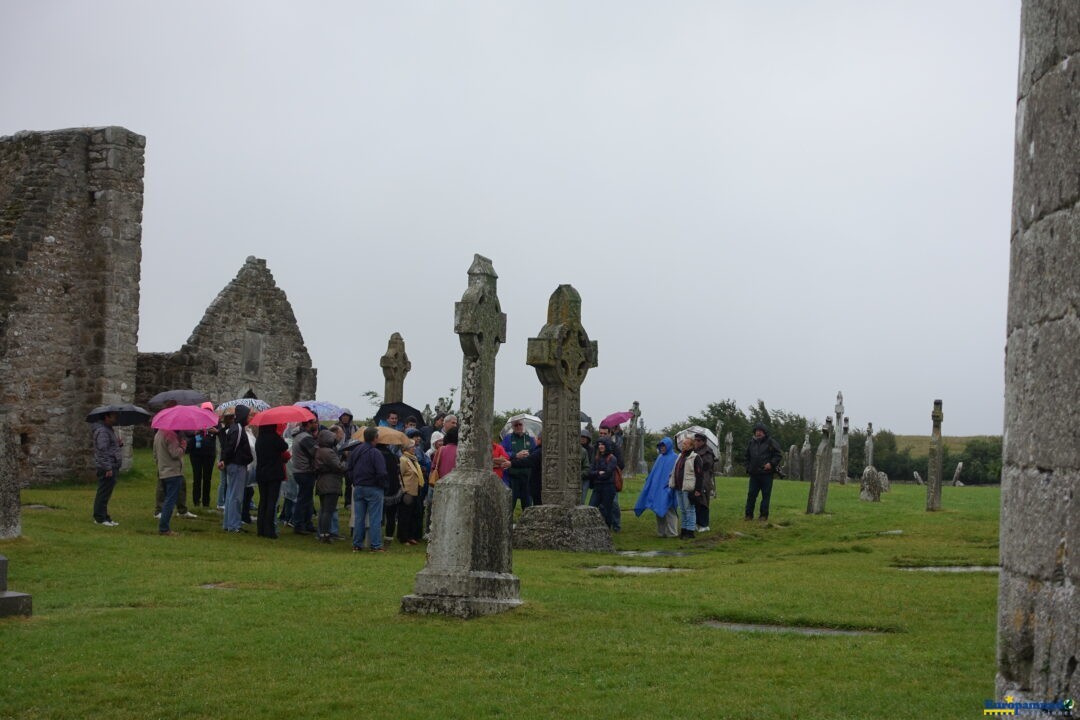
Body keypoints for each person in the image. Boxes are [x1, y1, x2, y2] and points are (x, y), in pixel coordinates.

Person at [347, 427, 388, 552]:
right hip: (373, 487)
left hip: (358, 487)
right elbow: (381, 472)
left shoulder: (356, 451)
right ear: (375, 438)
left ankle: (357, 544)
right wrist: (383, 485)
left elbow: (349, 468)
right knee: (375, 518)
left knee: (359, 518)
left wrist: (355, 481)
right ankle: (375, 545)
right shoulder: (375, 453)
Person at [633, 437, 679, 537]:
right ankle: (661, 532)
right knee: (658, 508)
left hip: (668, 488)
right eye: (660, 446)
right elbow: (654, 472)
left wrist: (671, 485)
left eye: (663, 446)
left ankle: (672, 532)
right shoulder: (660, 457)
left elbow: (676, 473)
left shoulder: (675, 457)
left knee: (670, 510)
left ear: (669, 446)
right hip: (657, 488)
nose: (662, 448)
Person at [219, 405, 254, 533]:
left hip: (234, 464)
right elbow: (232, 447)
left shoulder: (235, 428)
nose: (250, 418)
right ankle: (234, 525)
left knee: (230, 494)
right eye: (249, 415)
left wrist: (224, 460)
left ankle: (228, 523)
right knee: (236, 496)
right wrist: (225, 460)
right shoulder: (238, 429)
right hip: (237, 465)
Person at [255, 423, 289, 539]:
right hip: (274, 473)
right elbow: (284, 446)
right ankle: (269, 529)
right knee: (271, 502)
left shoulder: (260, 439)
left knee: (263, 500)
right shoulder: (275, 438)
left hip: (261, 472)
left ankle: (261, 528)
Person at [744, 422, 782, 522]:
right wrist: (748, 467)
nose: (758, 433)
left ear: (764, 432)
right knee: (751, 495)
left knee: (766, 496)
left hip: (767, 474)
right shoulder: (751, 443)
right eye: (757, 431)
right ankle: (748, 515)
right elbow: (747, 456)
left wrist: (771, 463)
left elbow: (778, 455)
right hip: (754, 474)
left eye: (760, 431)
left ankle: (763, 516)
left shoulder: (771, 442)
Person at [153, 427, 187, 536]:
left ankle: (163, 525)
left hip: (163, 471)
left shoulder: (158, 434)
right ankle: (164, 528)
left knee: (167, 498)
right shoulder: (170, 435)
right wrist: (183, 445)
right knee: (170, 500)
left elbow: (155, 454)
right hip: (173, 472)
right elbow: (175, 453)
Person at [91, 410, 122, 526]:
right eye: (114, 416)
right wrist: (108, 467)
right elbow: (102, 451)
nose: (116, 418)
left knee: (106, 493)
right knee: (103, 493)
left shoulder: (108, 430)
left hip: (112, 465)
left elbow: (109, 447)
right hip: (107, 467)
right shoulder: (103, 431)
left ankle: (105, 516)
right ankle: (99, 517)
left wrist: (118, 444)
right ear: (106, 417)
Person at [314, 429, 345, 543]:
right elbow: (339, 467)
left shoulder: (320, 450)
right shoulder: (329, 452)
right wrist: (345, 463)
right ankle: (325, 535)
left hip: (322, 482)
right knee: (328, 510)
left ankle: (322, 533)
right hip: (331, 483)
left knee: (323, 510)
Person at [289, 417, 319, 535]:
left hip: (300, 470)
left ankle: (307, 523)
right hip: (304, 471)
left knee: (307, 499)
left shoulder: (301, 435)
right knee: (303, 499)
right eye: (315, 422)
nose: (317, 424)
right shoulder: (305, 438)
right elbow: (316, 451)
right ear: (309, 424)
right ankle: (299, 524)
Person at [669, 436, 704, 539]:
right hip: (679, 487)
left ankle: (690, 531)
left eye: (685, 444)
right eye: (683, 444)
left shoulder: (695, 457)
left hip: (689, 488)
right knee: (683, 510)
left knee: (689, 510)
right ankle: (684, 530)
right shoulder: (680, 456)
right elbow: (675, 470)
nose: (683, 445)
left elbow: (699, 475)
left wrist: (697, 490)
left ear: (691, 446)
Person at [187, 402, 218, 508]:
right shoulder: (195, 420)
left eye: (209, 411)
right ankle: (196, 501)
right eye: (205, 410)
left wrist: (216, 431)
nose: (207, 413)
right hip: (196, 454)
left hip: (209, 454)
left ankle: (206, 502)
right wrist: (195, 432)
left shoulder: (215, 421)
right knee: (197, 478)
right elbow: (188, 432)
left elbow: (222, 433)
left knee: (207, 479)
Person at [502, 419, 536, 509]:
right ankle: (508, 523)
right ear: (512, 427)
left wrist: (529, 455)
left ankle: (527, 523)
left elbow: (536, 453)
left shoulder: (531, 439)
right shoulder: (508, 438)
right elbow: (502, 453)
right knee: (510, 505)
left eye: (520, 424)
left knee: (527, 506)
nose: (518, 427)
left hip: (527, 477)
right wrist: (515, 455)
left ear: (523, 425)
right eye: (515, 425)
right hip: (513, 477)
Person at [397, 439, 424, 545]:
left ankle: (411, 535)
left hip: (416, 490)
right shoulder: (403, 459)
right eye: (412, 447)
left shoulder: (414, 459)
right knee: (405, 515)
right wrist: (403, 489)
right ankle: (404, 537)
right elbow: (400, 475)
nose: (415, 448)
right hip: (407, 491)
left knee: (414, 514)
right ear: (406, 449)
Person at [587, 439, 619, 528]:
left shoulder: (612, 458)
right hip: (597, 487)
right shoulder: (596, 457)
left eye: (603, 444)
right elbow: (589, 472)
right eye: (599, 444)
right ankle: (592, 527)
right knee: (591, 507)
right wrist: (598, 473)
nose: (600, 446)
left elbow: (607, 474)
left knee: (607, 509)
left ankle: (607, 528)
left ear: (607, 446)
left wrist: (596, 474)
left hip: (608, 487)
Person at [597, 426, 624, 530]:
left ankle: (616, 525)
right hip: (599, 479)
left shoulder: (614, 447)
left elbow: (621, 463)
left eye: (605, 433)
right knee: (600, 504)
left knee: (614, 503)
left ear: (610, 434)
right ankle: (603, 525)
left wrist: (610, 467)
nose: (602, 435)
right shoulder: (597, 446)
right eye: (601, 433)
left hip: (611, 480)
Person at [692, 433, 716, 532]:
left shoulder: (708, 451)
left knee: (704, 502)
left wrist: (697, 460)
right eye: (695, 440)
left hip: (704, 479)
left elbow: (707, 465)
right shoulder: (694, 451)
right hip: (695, 479)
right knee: (696, 502)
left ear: (704, 441)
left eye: (699, 440)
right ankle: (697, 523)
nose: (696, 442)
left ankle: (704, 524)